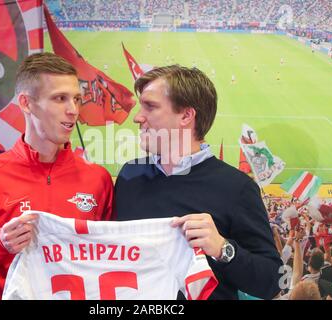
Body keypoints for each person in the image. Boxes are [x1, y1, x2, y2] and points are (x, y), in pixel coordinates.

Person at [0, 52, 114, 300]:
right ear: (26, 103)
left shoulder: (98, 178)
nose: (73, 110)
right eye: (60, 99)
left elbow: (109, 259)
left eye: (76, 99)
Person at [114, 65, 283, 300]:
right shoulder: (129, 176)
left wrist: (223, 249)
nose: (138, 117)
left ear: (186, 116)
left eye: (150, 106)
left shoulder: (236, 188)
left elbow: (273, 281)